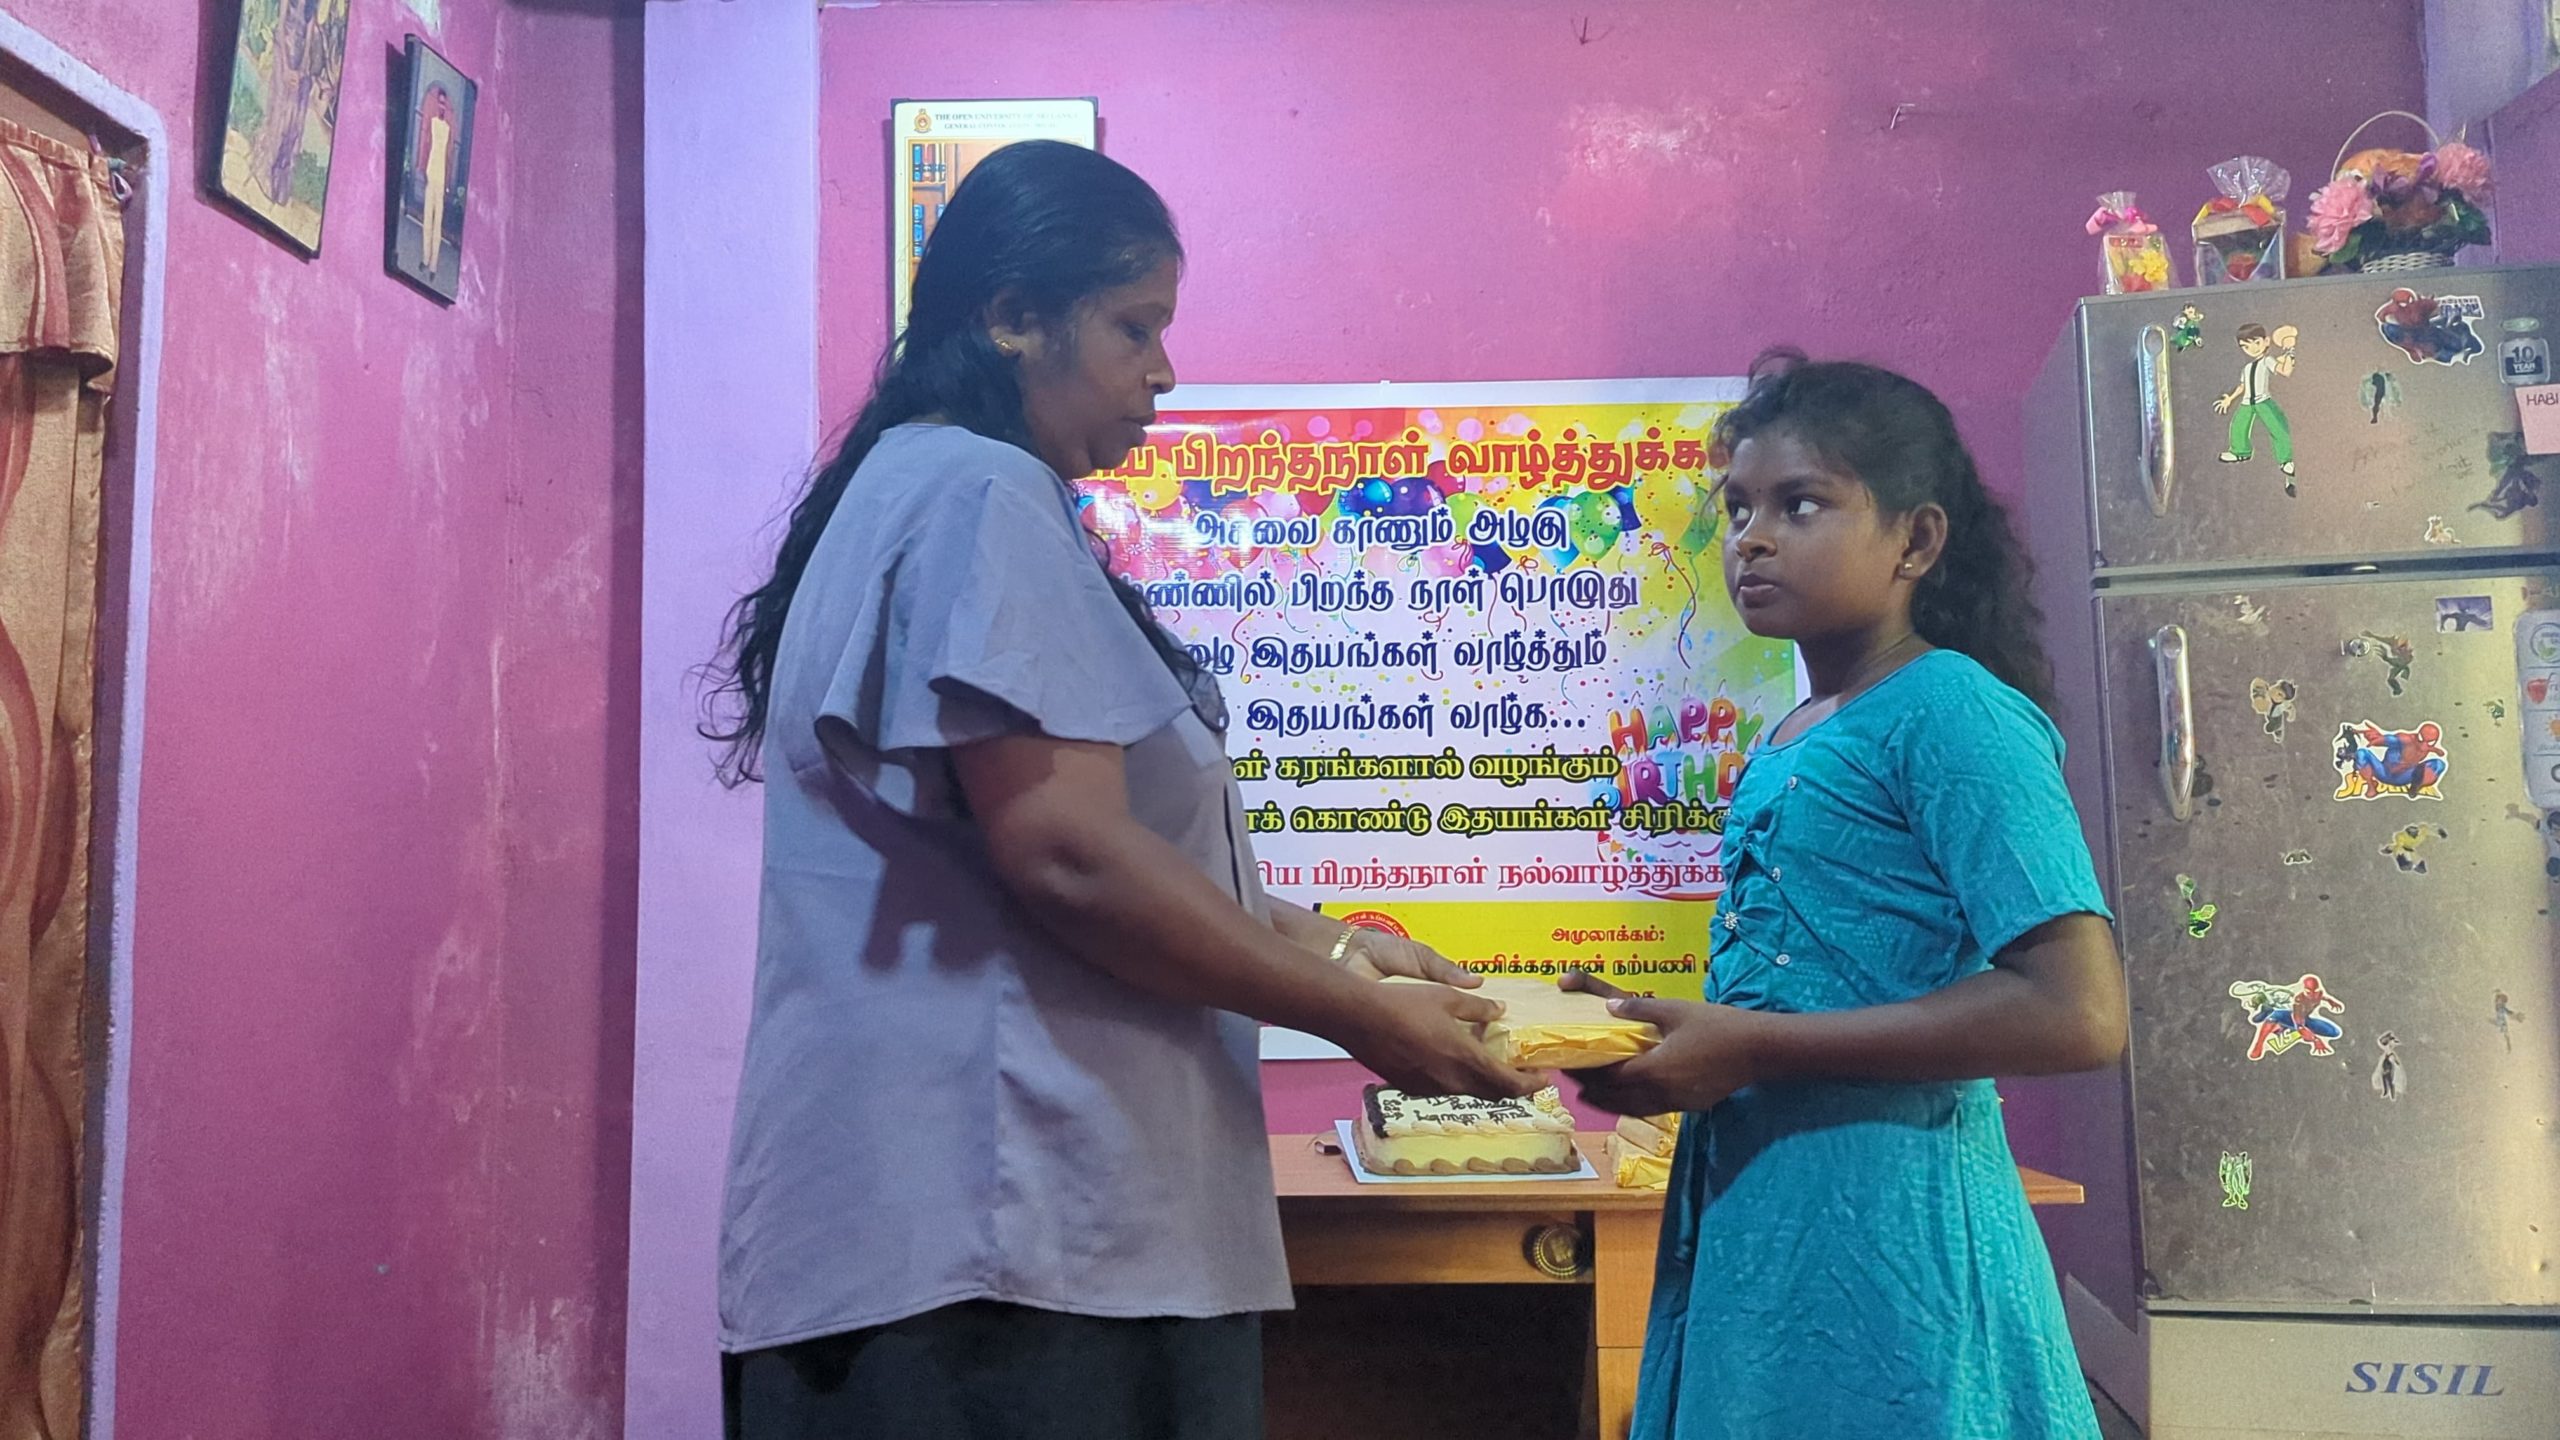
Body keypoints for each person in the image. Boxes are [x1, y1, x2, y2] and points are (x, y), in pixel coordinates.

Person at [698, 140, 1537, 1440]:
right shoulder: (982, 493)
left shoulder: (909, 484)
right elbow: (1068, 853)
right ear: (1012, 316)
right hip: (1010, 1255)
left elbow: (1076, 840)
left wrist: (1340, 949)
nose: (1164, 371)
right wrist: (1357, 1018)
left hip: (970, 1246)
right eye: (1133, 327)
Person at [1563, 353, 2127, 1440]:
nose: (1750, 538)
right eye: (1737, 508)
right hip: (1769, 1233)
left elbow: (2079, 1012)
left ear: (1916, 541)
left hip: (1893, 1245)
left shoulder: (1953, 710)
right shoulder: (1793, 733)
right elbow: (1803, 987)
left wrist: (1751, 1048)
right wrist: (1651, 1041)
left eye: (1800, 504)